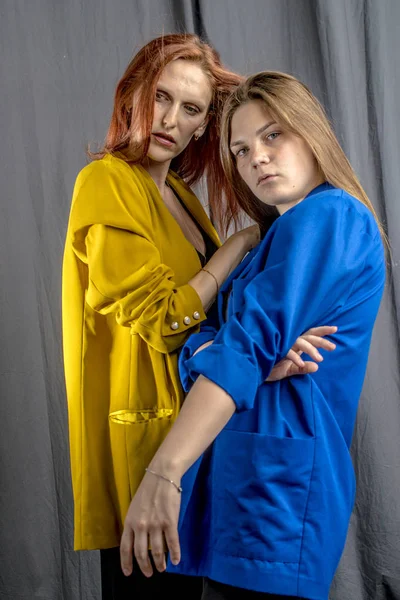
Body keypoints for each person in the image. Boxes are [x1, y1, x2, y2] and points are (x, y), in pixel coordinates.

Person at [62, 36, 334, 600]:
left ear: (205, 124)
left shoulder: (184, 199)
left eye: (191, 109)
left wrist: (263, 362)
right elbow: (164, 319)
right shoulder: (106, 181)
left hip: (196, 439)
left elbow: (207, 323)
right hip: (142, 454)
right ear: (133, 95)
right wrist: (234, 248)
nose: (169, 119)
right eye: (160, 96)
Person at [120, 71, 387, 600]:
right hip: (239, 486)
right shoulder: (274, 242)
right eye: (240, 150)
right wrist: (233, 352)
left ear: (311, 132)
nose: (256, 158)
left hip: (276, 495)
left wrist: (163, 472)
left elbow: (240, 347)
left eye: (273, 135)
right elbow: (205, 347)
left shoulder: (331, 215)